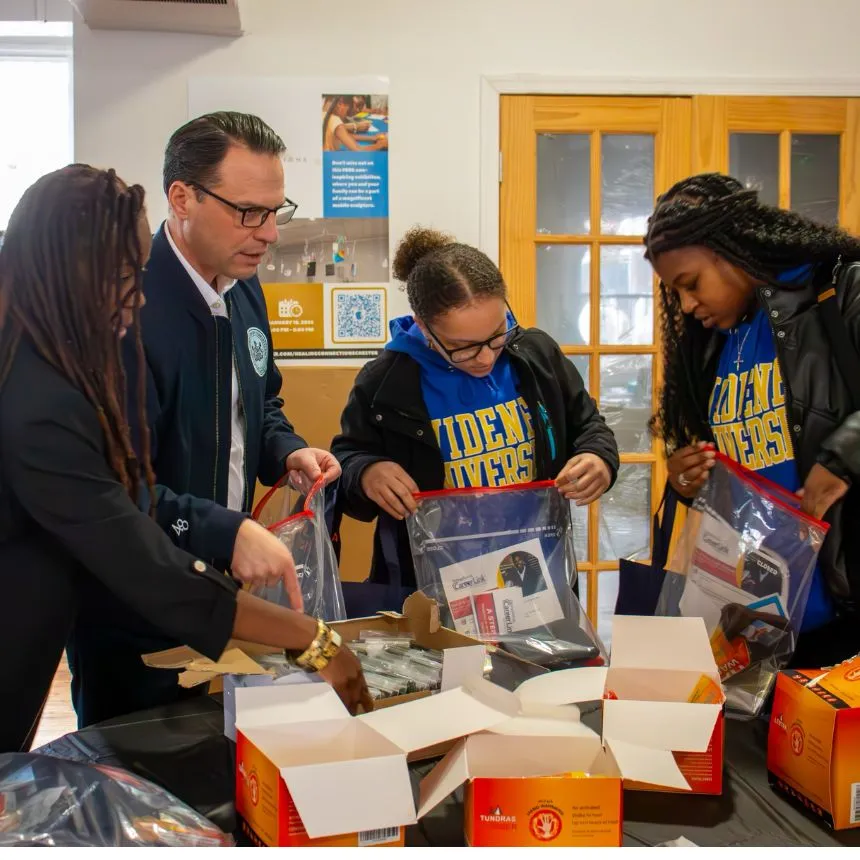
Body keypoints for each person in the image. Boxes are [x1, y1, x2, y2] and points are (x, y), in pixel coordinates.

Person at [0, 164, 369, 753]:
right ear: (71, 276)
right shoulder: (36, 400)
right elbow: (137, 552)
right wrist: (311, 638)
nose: (139, 295)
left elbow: (255, 407)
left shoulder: (47, 365)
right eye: (124, 275)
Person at [66, 112, 343, 727]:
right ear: (181, 197)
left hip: (224, 586)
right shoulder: (126, 305)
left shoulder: (245, 290)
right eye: (249, 212)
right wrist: (220, 530)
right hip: (133, 598)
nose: (268, 234)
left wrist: (289, 450)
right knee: (139, 773)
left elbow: (259, 405)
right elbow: (104, 490)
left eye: (276, 211)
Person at [644, 172, 860, 668]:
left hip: (841, 617)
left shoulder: (837, 290)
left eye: (691, 284)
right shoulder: (715, 340)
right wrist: (685, 479)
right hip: (749, 618)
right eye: (674, 293)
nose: (686, 305)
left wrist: (841, 459)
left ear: (734, 248)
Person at [331, 227, 619, 594]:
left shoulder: (535, 355)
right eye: (462, 347)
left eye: (497, 335)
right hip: (436, 580)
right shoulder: (385, 382)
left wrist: (599, 458)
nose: (485, 357)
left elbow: (589, 426)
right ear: (424, 327)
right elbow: (347, 458)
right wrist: (366, 471)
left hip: (538, 570)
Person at [323, 95, 387, 152]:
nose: (346, 115)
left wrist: (372, 137)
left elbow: (345, 136)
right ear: (340, 104)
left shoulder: (322, 114)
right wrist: (380, 145)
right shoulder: (335, 120)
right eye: (347, 111)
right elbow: (358, 150)